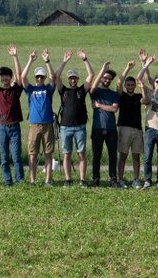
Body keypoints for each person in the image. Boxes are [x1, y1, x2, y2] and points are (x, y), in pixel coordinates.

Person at [21, 48, 58, 186]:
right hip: (34, 125)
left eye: (42, 77)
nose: (40, 79)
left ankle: (48, 179)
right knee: (33, 154)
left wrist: (47, 61)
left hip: (48, 125)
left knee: (48, 153)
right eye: (38, 77)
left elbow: (53, 78)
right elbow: (22, 78)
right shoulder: (30, 89)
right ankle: (32, 180)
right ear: (35, 77)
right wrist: (30, 60)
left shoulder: (48, 89)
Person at [56, 50, 92, 187]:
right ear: (68, 79)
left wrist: (85, 59)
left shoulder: (82, 90)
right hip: (65, 127)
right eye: (70, 78)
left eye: (74, 78)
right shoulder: (63, 91)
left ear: (77, 79)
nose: (72, 80)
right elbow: (56, 76)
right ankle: (68, 179)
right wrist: (64, 61)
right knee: (67, 154)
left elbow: (91, 75)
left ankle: (82, 180)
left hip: (80, 127)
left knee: (81, 154)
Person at [0, 46, 25, 187]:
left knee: (16, 157)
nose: (4, 77)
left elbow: (19, 74)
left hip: (15, 126)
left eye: (7, 75)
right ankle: (7, 181)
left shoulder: (15, 90)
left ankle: (20, 180)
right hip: (2, 127)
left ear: (10, 77)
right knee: (4, 157)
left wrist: (15, 57)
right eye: (2, 75)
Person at [139, 54, 158, 188]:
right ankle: (147, 180)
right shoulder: (149, 92)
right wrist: (146, 63)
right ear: (154, 83)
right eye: (157, 81)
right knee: (147, 157)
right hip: (150, 129)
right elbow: (139, 79)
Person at [117, 56, 149, 187]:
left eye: (132, 85)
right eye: (128, 85)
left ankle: (136, 179)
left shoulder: (138, 96)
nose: (130, 86)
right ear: (126, 86)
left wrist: (141, 87)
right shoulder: (122, 96)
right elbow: (118, 84)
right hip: (124, 128)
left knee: (136, 156)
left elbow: (146, 100)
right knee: (123, 156)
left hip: (137, 129)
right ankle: (120, 179)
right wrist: (127, 68)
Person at [89, 61, 121, 187]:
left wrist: (98, 105)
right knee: (96, 156)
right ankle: (95, 180)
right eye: (105, 77)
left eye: (109, 79)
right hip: (97, 128)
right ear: (102, 78)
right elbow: (92, 87)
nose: (107, 80)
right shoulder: (95, 91)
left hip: (111, 129)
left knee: (113, 155)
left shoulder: (113, 94)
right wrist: (103, 69)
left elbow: (114, 109)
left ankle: (113, 180)